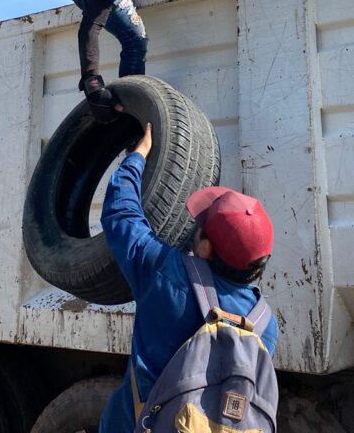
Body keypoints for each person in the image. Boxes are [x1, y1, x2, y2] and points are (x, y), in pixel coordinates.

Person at [99, 123, 278, 432]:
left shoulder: (166, 276)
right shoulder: (264, 325)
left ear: (206, 248)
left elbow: (121, 215)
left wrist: (137, 156)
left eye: (200, 227)